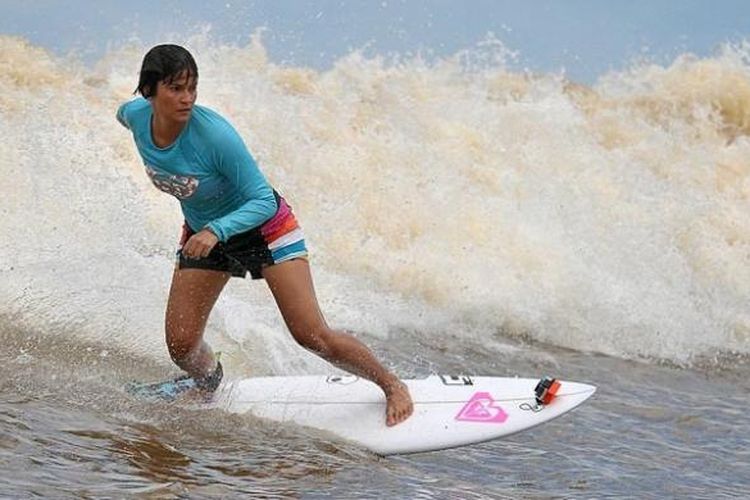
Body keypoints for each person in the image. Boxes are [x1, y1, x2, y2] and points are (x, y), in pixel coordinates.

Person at [117, 44, 413, 426]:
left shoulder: (214, 136)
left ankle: (391, 384)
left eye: (192, 87)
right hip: (204, 234)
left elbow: (262, 200)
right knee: (181, 345)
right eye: (175, 88)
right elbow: (124, 115)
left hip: (266, 230)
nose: (187, 98)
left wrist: (216, 230)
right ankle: (208, 382)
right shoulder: (133, 115)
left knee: (311, 335)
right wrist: (208, 232)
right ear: (149, 91)